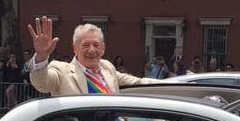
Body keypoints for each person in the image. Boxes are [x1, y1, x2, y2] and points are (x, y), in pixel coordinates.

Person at [27, 16, 159, 95]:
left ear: (103, 49)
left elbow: (139, 83)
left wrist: (176, 84)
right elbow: (42, 84)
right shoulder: (62, 70)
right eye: (85, 45)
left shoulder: (107, 67)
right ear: (75, 48)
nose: (91, 50)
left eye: (96, 45)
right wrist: (41, 56)